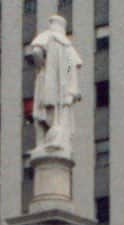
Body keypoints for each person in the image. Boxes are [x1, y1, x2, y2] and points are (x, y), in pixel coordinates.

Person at [26, 14, 83, 155]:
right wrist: (71, 86)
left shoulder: (47, 37)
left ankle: (45, 143)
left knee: (40, 113)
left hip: (46, 81)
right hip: (61, 87)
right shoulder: (67, 46)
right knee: (59, 115)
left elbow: (36, 51)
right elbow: (71, 66)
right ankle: (54, 141)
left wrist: (42, 66)